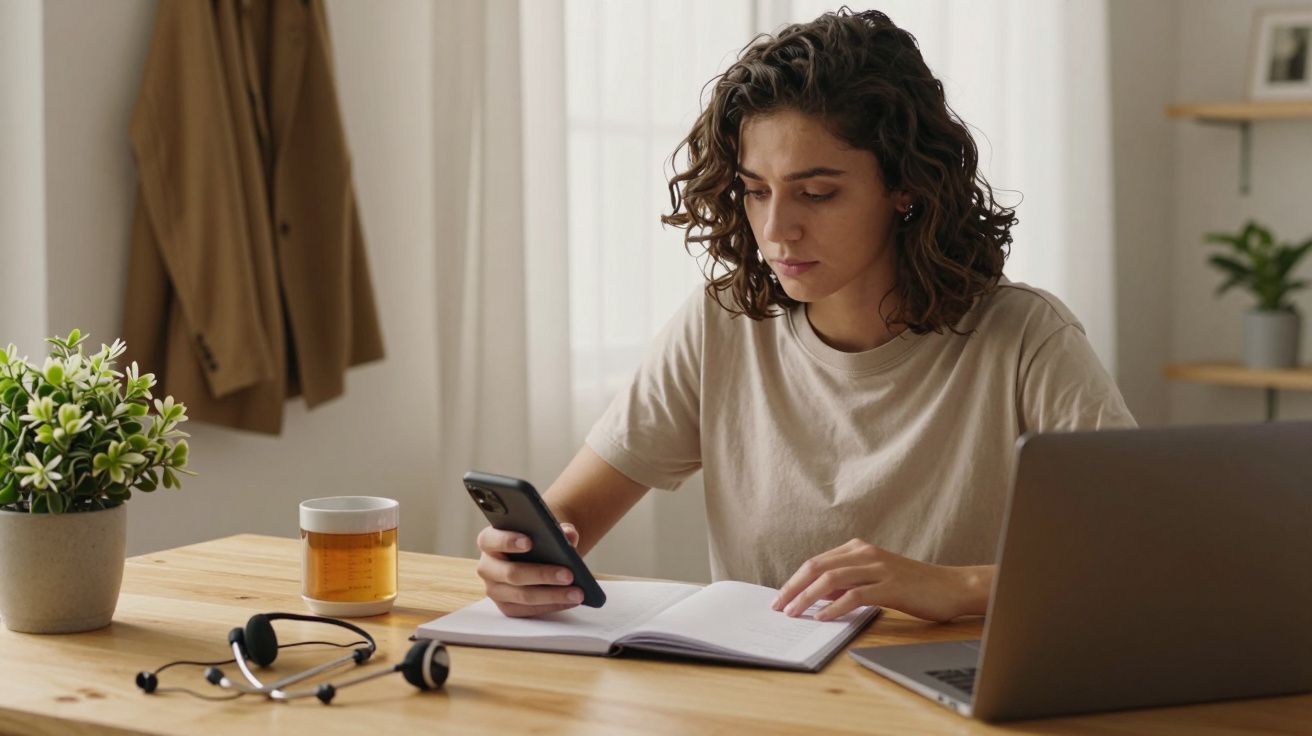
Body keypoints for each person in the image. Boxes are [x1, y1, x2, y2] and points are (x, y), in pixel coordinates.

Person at [476, 8, 1135, 623]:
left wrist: (953, 587)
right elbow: (566, 516)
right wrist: (520, 564)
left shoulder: (1024, 337)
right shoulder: (720, 325)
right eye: (756, 191)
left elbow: (1139, 551)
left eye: (816, 193)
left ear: (905, 186)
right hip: (772, 697)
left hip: (951, 696)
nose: (776, 229)